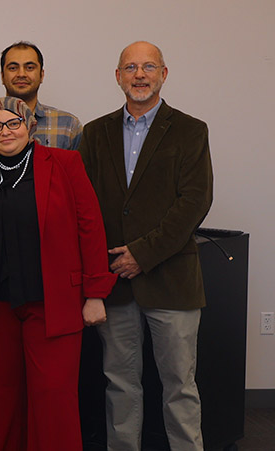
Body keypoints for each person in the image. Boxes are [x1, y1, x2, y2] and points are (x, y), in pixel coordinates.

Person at [0, 97, 117, 451]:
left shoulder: (65, 163)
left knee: (53, 401)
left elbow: (91, 228)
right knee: (0, 399)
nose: (5, 131)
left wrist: (95, 293)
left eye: (14, 123)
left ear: (30, 128)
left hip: (53, 304)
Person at [79, 41, 213, 451]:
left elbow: (194, 202)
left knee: (179, 386)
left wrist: (143, 253)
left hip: (171, 278)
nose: (140, 74)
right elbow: (84, 207)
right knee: (120, 385)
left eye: (148, 66)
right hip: (116, 282)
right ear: (117, 76)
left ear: (163, 74)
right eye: (131, 67)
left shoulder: (191, 130)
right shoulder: (95, 132)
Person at [0, 41, 82, 172]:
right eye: (13, 68)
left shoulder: (68, 126)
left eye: (30, 67)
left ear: (42, 75)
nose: (21, 74)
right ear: (2, 76)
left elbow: (79, 183)